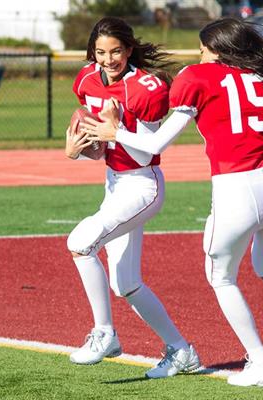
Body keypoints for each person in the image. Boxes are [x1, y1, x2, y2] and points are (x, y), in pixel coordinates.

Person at [82, 17, 263, 387]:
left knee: (222, 278)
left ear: (220, 49)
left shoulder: (197, 77)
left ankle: (261, 364)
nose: (200, 54)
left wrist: (116, 132)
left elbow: (155, 145)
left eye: (203, 48)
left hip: (235, 189)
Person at [64, 16, 200, 379]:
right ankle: (182, 351)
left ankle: (104, 333)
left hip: (143, 184)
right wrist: (78, 149)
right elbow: (104, 150)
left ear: (129, 49)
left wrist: (117, 126)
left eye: (116, 52)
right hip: (115, 183)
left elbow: (144, 153)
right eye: (100, 52)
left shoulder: (146, 88)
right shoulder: (87, 80)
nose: (108, 60)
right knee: (125, 284)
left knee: (79, 243)